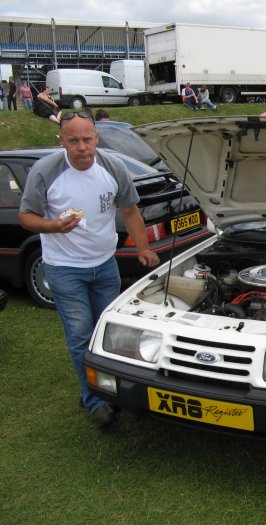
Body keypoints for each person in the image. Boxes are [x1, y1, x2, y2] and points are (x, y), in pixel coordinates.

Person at [18, 109, 160, 427]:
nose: (81, 147)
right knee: (81, 334)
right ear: (62, 141)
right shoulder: (46, 170)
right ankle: (95, 400)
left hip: (104, 266)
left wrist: (143, 248)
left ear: (96, 138)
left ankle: (109, 390)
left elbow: (131, 210)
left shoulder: (113, 166)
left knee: (108, 332)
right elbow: (26, 216)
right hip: (64, 268)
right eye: (73, 141)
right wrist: (54, 226)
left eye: (86, 139)